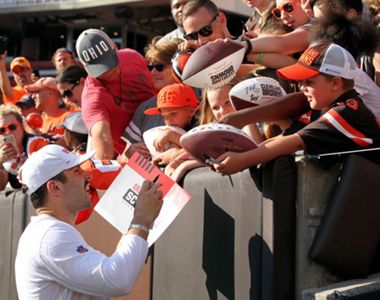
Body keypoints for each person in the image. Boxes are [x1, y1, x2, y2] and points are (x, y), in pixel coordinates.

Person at [15, 144, 163, 298]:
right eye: (77, 171)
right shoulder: (50, 236)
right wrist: (141, 219)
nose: (88, 176)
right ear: (55, 187)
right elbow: (118, 279)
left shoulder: (47, 232)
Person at [213, 42, 380, 176]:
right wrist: (238, 146)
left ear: (335, 83)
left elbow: (290, 143)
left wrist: (242, 161)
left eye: (309, 82)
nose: (302, 88)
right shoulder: (321, 108)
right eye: (301, 82)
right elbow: (281, 138)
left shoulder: (347, 112)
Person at [76, 28, 156, 159]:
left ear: (115, 48)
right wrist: (125, 156)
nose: (108, 73)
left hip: (168, 124)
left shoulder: (132, 57)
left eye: (110, 65)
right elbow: (101, 136)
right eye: (100, 70)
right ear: (85, 67)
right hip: (138, 155)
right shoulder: (93, 97)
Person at [121, 37, 183, 159]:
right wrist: (129, 154)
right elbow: (123, 156)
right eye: (150, 67)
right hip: (151, 176)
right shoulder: (145, 107)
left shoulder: (200, 101)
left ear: (179, 64)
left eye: (159, 67)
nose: (153, 73)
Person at [0, 105, 48, 190]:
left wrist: (28, 165)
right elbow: (1, 188)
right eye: (2, 130)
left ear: (22, 127)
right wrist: (1, 164)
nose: (7, 132)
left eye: (12, 127)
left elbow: (48, 176)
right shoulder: (2, 152)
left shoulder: (37, 143)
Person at [144, 83, 199, 157]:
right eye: (164, 116)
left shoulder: (201, 125)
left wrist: (171, 135)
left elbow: (200, 149)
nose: (168, 121)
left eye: (173, 114)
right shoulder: (166, 131)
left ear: (191, 111)